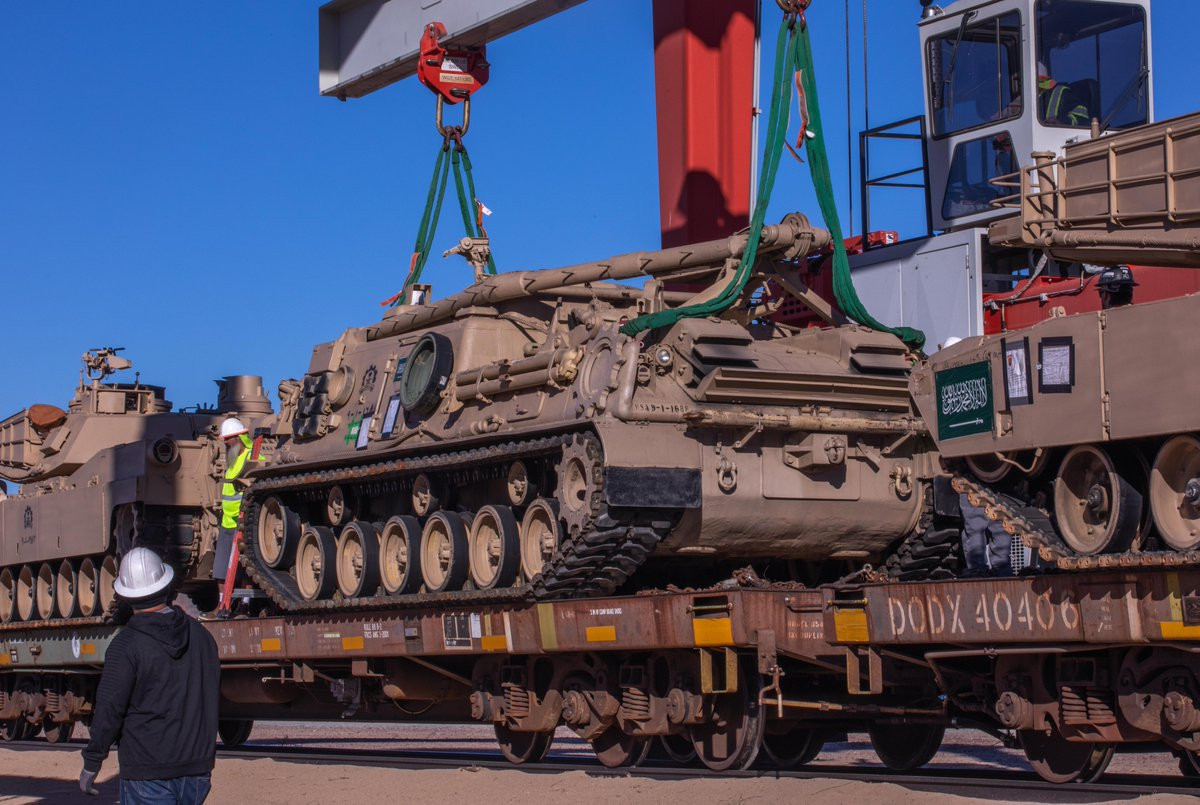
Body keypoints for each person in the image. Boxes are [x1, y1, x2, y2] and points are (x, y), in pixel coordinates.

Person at [80, 547, 220, 803]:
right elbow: (209, 698)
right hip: (197, 772)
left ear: (125, 595)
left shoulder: (126, 646)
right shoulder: (202, 638)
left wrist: (92, 761)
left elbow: (109, 709)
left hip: (147, 772)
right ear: (166, 585)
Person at [211, 417, 257, 603]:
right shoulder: (232, 460)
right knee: (221, 570)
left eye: (228, 439)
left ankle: (245, 607)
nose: (225, 443)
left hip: (243, 523)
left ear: (239, 438)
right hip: (227, 524)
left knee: (246, 571)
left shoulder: (252, 458)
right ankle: (223, 604)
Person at [959, 493, 1013, 576]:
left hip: (973, 489)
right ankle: (1002, 572)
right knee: (1001, 527)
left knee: (975, 527)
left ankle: (978, 572)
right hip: (1000, 490)